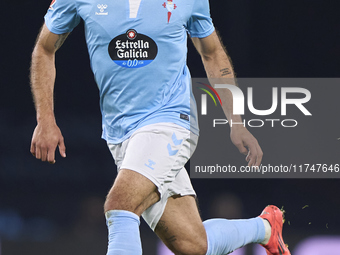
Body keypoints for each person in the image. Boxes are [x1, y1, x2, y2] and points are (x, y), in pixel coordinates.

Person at [30, 0, 291, 254]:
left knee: (120, 205)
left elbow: (212, 53)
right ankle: (266, 228)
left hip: (171, 121)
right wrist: (45, 119)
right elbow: (44, 48)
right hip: (120, 134)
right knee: (192, 244)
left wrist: (236, 121)